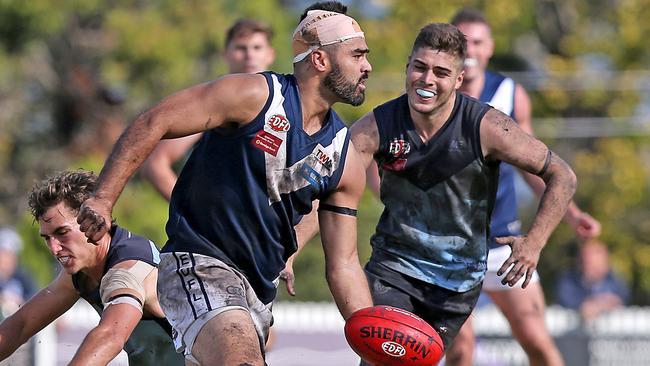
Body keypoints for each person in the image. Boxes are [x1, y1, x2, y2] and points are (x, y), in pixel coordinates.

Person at [75, 4, 374, 365]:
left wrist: (372, 339)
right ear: (321, 60)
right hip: (198, 263)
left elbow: (344, 264)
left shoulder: (344, 158)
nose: (367, 66)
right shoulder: (256, 95)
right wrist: (103, 199)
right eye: (357, 54)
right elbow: (155, 121)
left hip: (259, 293)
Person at [348, 22, 577, 358]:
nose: (427, 80)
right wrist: (291, 252)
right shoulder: (377, 126)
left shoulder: (486, 126)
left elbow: (563, 175)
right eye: (420, 67)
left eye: (441, 72)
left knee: (477, 349)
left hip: (457, 284)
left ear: (458, 80)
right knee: (385, 360)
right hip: (393, 270)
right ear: (407, 67)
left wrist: (535, 242)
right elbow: (329, 185)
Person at [441, 8, 602, 366]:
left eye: (478, 42)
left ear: (490, 47)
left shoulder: (510, 94)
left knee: (536, 339)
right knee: (461, 348)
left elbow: (537, 166)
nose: (470, 49)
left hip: (502, 240)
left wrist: (572, 214)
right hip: (448, 244)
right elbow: (386, 160)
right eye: (463, 41)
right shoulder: (431, 97)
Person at [0, 170, 183, 365]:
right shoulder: (82, 270)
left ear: (95, 221)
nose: (54, 249)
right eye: (47, 238)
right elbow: (21, 325)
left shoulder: (130, 268)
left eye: (62, 232)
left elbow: (110, 336)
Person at [141, 18, 276, 201]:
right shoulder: (213, 102)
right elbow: (155, 163)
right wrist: (189, 213)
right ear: (225, 54)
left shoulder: (284, 105)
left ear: (270, 55)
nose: (249, 55)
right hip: (214, 225)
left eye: (257, 48)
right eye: (240, 48)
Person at [556, 239, 628, 322]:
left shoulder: (615, 281)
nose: (588, 268)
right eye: (586, 262)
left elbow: (619, 299)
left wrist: (598, 305)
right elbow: (566, 299)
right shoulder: (568, 281)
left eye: (594, 264)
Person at [0, 227, 36, 318]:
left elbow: (34, 297)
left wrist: (19, 303)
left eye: (9, 254)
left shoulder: (22, 277)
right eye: (3, 254)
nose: (5, 259)